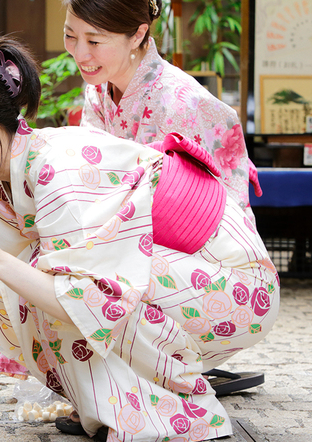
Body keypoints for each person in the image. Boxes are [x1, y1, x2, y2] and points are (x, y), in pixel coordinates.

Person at [0, 35, 278, 441]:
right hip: (187, 278)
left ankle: (168, 409)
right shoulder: (3, 186)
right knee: (30, 288)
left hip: (237, 287)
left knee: (69, 284)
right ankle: (118, 404)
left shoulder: (58, 170)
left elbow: (94, 301)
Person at [60, 0, 268, 399]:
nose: (80, 53)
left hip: (217, 271)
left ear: (138, 34)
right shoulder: (101, 92)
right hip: (148, 245)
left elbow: (206, 222)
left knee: (82, 263)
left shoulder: (183, 103)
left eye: (94, 40)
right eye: (71, 35)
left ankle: (148, 375)